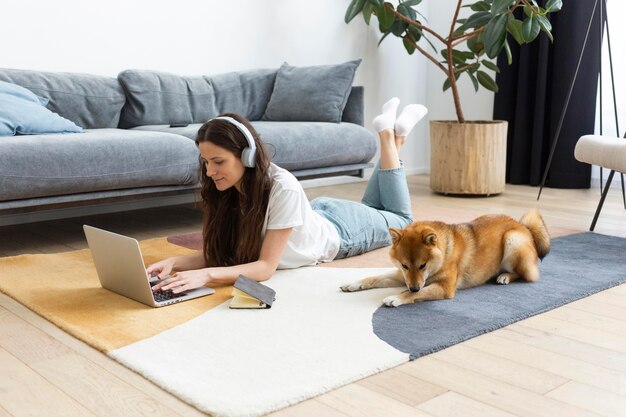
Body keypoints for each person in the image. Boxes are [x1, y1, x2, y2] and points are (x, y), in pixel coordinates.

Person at [148, 98, 428, 294]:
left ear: (247, 156)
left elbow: (265, 267)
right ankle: (396, 137)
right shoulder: (225, 189)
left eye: (218, 162)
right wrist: (174, 263)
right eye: (205, 162)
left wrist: (207, 274)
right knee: (377, 207)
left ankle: (387, 136)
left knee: (402, 222)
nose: (209, 171)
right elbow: (224, 254)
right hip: (312, 215)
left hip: (343, 231)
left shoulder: (282, 187)